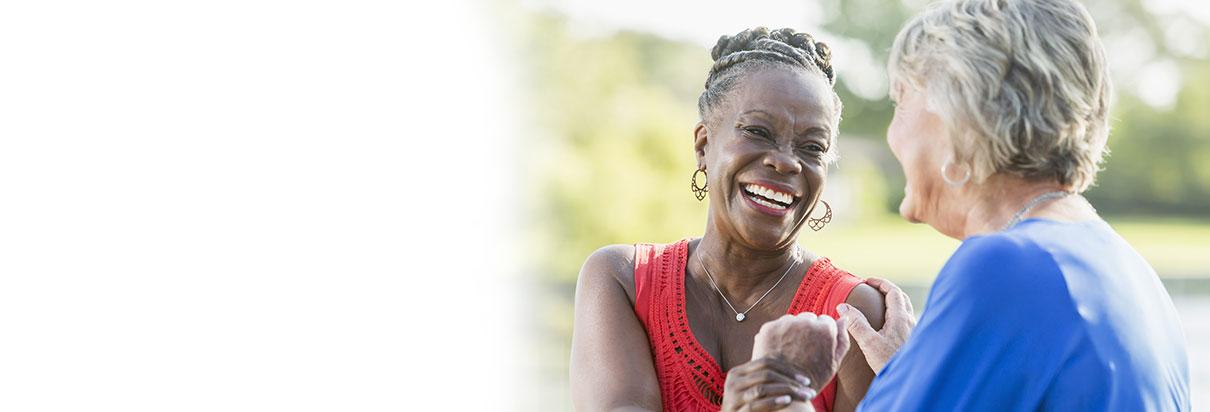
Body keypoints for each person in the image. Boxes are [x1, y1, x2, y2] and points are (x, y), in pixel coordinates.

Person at [761, 0, 1191, 410]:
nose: (893, 134)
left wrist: (781, 379)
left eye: (901, 102)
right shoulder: (1125, 267)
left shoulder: (1010, 267)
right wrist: (911, 371)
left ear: (958, 119)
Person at [569, 27, 886, 412]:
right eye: (757, 131)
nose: (785, 161)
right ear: (703, 145)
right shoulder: (622, 279)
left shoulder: (853, 316)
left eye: (812, 147)